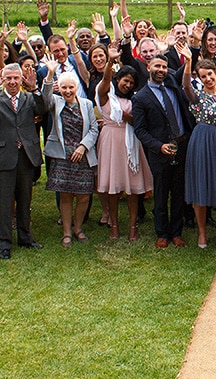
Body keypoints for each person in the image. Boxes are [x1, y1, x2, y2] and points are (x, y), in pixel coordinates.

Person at [0, 63, 47, 260]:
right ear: (3, 80)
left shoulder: (28, 97)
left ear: (21, 79)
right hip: (3, 156)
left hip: (26, 154)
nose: (13, 82)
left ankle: (25, 237)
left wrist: (35, 88)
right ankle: (4, 243)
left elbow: (44, 108)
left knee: (25, 199)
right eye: (9, 79)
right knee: (4, 202)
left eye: (16, 78)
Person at [131, 55, 195, 248]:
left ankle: (176, 232)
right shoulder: (140, 97)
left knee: (178, 192)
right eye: (157, 66)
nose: (161, 70)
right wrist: (158, 146)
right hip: (159, 151)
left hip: (181, 146)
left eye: (165, 67)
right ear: (148, 66)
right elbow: (140, 129)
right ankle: (162, 233)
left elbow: (186, 73)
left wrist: (191, 52)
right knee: (160, 192)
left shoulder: (173, 85)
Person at [180, 51, 216, 249]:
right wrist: (189, 62)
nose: (207, 79)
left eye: (210, 74)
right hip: (202, 142)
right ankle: (202, 233)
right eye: (203, 76)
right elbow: (186, 85)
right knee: (201, 186)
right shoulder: (197, 97)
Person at [96, 57, 152, 242]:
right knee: (113, 187)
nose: (127, 85)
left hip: (130, 142)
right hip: (110, 140)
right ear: (117, 79)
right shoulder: (106, 95)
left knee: (132, 188)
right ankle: (114, 225)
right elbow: (104, 81)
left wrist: (129, 118)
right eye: (125, 80)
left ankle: (133, 227)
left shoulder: (135, 99)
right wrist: (110, 63)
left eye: (131, 82)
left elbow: (141, 121)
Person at [43, 73, 100, 247]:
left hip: (82, 156)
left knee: (83, 196)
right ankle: (67, 232)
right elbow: (44, 99)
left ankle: (78, 228)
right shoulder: (55, 102)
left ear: (76, 88)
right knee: (65, 196)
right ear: (59, 88)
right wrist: (50, 75)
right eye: (64, 87)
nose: (67, 91)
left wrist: (83, 147)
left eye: (71, 87)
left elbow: (93, 129)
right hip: (62, 156)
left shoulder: (87, 104)